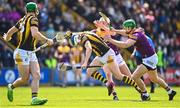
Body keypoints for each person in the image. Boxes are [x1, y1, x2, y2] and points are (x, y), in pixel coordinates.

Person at [103, 19, 177, 101]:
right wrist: (115, 30)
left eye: (126, 28)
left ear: (130, 28)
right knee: (154, 78)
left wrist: (110, 40)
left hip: (149, 59)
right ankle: (170, 91)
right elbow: (125, 32)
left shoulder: (136, 35)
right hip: (151, 57)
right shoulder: (134, 31)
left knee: (134, 77)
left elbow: (125, 45)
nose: (125, 29)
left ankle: (145, 95)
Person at [66, 31, 142, 100]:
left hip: (108, 55)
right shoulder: (84, 33)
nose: (79, 44)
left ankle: (139, 90)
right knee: (89, 72)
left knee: (118, 76)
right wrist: (69, 34)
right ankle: (107, 83)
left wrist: (85, 62)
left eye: (78, 43)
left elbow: (89, 49)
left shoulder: (85, 40)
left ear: (78, 40)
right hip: (100, 56)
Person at [3, 2, 53, 105]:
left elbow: (9, 33)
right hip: (21, 53)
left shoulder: (22, 20)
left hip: (31, 52)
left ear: (26, 10)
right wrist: (46, 40)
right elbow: (35, 33)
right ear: (35, 11)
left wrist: (7, 38)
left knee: (37, 75)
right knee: (25, 79)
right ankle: (11, 86)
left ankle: (34, 98)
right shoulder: (33, 19)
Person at [92, 17, 132, 100]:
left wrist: (103, 27)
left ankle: (143, 92)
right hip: (106, 57)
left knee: (130, 77)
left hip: (117, 57)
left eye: (104, 22)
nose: (101, 23)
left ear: (107, 24)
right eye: (101, 22)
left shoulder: (110, 30)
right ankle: (115, 95)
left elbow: (113, 33)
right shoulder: (95, 32)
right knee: (108, 75)